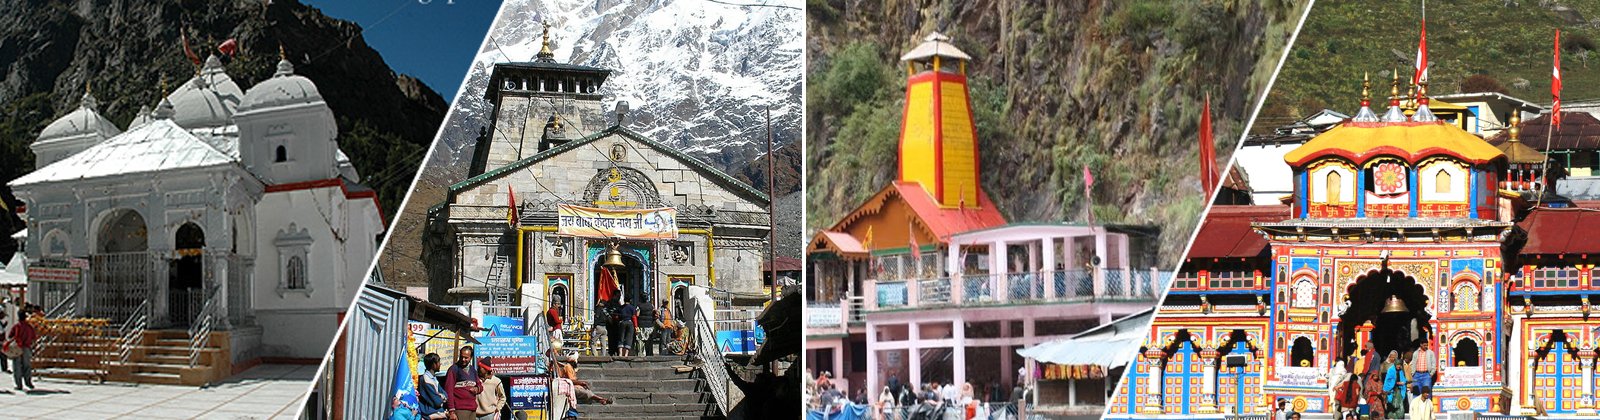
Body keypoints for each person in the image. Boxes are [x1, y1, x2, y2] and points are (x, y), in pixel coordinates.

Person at [443, 345, 483, 419]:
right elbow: (449, 391)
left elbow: (480, 386)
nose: (463, 359)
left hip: (472, 408)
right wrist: (451, 411)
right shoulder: (453, 369)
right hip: (460, 409)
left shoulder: (473, 370)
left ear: (471, 358)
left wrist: (477, 389)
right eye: (461, 357)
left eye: (466, 358)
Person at [8, 305, 36, 391]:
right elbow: (34, 337)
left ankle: (19, 384)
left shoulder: (17, 326)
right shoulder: (29, 327)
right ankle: (28, 382)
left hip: (17, 348)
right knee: (27, 366)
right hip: (26, 347)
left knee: (17, 367)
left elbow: (10, 336)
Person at [417, 353, 449, 419]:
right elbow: (437, 402)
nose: (440, 364)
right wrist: (441, 396)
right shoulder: (426, 379)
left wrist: (441, 395)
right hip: (429, 412)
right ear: (434, 365)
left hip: (436, 411)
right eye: (438, 362)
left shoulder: (434, 378)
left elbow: (445, 395)